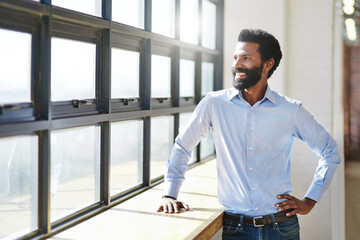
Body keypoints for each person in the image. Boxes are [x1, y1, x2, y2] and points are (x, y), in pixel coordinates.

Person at [157, 29, 341, 240]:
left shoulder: (290, 110)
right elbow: (183, 146)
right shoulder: (214, 104)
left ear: (267, 64)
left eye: (246, 58)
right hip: (236, 229)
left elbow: (330, 151)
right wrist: (170, 193)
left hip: (281, 228)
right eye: (235, 58)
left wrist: (310, 200)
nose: (236, 65)